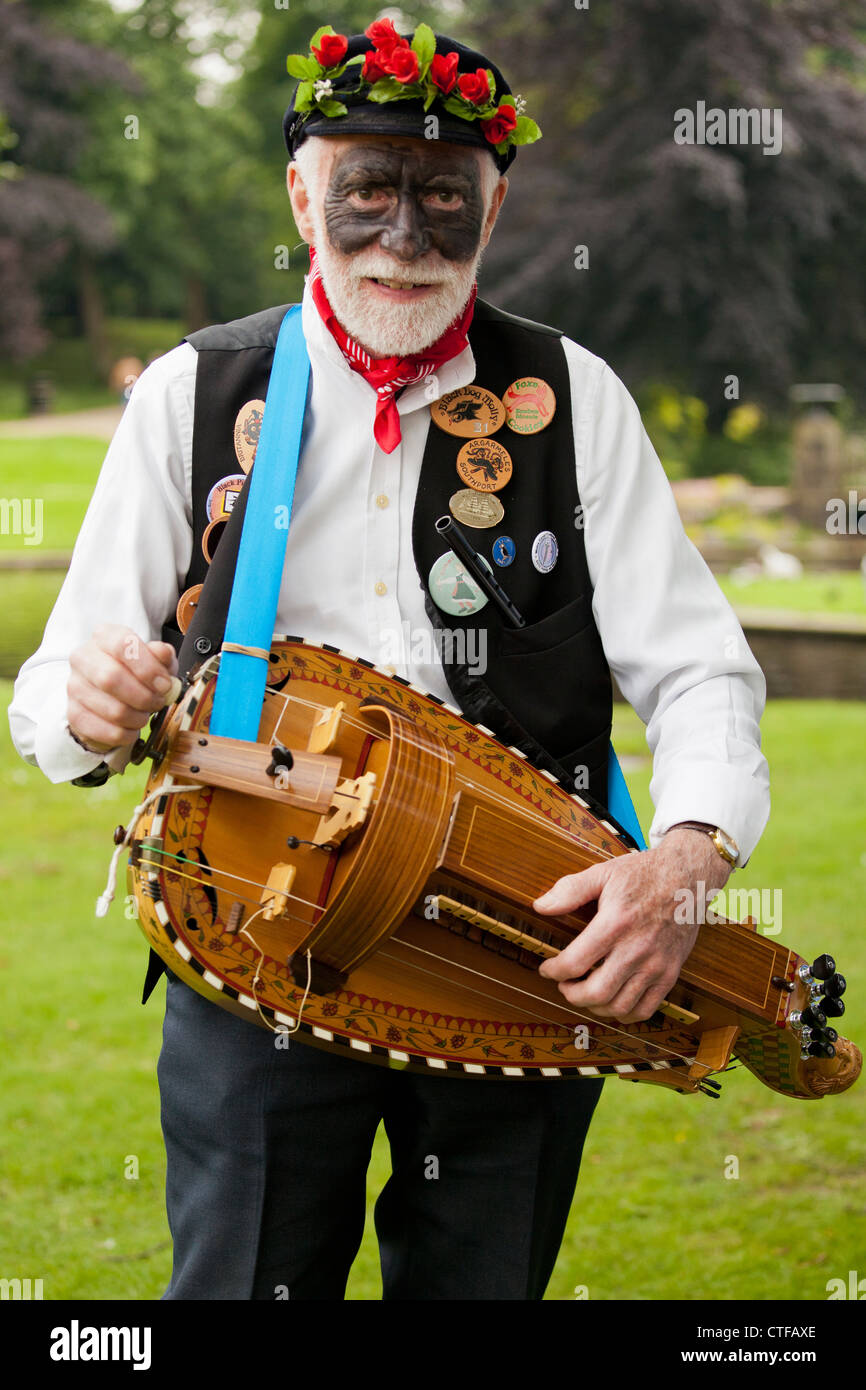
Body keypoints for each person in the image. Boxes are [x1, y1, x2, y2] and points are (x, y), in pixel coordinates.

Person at [8, 19, 769, 1300]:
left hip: (521, 944)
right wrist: (89, 706)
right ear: (301, 195)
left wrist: (684, 858)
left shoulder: (571, 397)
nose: (404, 237)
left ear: (496, 200)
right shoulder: (193, 393)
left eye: (442, 200)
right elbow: (50, 695)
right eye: (366, 192)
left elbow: (697, 669)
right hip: (253, 942)